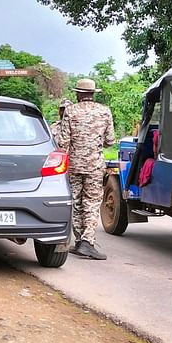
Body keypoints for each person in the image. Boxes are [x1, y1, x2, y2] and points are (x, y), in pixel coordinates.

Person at [54, 79, 116, 260]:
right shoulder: (104, 111)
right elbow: (110, 141)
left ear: (78, 94)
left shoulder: (70, 111)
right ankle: (87, 242)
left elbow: (63, 141)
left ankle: (79, 240)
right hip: (95, 165)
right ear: (93, 93)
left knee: (75, 201)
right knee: (92, 201)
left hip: (73, 164)